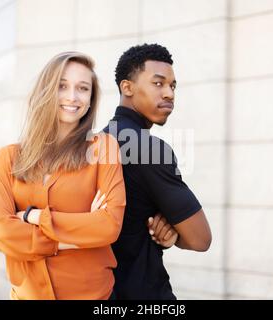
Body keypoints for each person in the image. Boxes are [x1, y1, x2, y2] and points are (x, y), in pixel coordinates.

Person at [0, 51, 126, 300]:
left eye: (83, 88)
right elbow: (1, 233)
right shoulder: (8, 158)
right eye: (62, 86)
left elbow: (108, 226)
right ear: (47, 89)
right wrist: (73, 237)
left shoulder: (103, 148)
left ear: (91, 98)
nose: (72, 97)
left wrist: (32, 216)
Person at [103, 43, 212, 300]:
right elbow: (200, 239)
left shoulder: (95, 142)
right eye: (158, 83)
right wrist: (175, 232)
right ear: (127, 87)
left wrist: (169, 223)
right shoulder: (150, 149)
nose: (169, 94)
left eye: (173, 86)